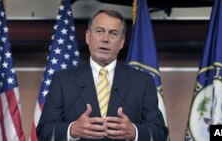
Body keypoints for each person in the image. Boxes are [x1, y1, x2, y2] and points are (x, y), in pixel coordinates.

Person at [36, 9, 168, 141]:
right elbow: (43, 131)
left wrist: (135, 132)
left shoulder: (143, 82)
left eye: (113, 33)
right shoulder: (63, 80)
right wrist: (72, 129)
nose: (105, 39)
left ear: (121, 42)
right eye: (99, 31)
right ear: (88, 37)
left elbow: (160, 132)